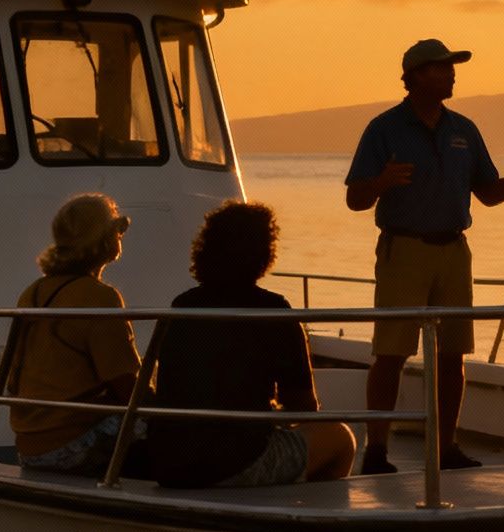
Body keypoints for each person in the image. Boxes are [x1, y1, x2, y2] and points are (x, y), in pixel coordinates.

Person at [344, 38, 504, 474]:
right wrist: (380, 182)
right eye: (443, 68)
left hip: (454, 250)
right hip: (403, 249)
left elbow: (489, 194)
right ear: (416, 76)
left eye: (452, 68)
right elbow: (355, 200)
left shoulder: (463, 129)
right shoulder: (383, 129)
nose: (452, 75)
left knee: (453, 354)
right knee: (390, 353)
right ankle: (376, 451)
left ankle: (445, 449)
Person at [149, 201, 356, 487]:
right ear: (263, 254)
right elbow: (303, 408)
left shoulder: (182, 305)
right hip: (234, 465)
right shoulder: (272, 310)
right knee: (340, 437)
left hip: (172, 465)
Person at [9, 193, 143, 477]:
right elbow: (128, 389)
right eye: (117, 230)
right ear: (105, 240)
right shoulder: (100, 298)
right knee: (162, 419)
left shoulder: (32, 293)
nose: (120, 236)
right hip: (69, 445)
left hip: (31, 447)